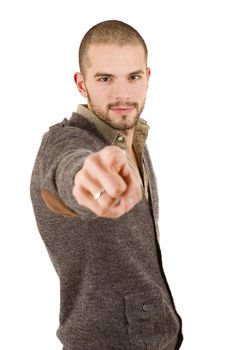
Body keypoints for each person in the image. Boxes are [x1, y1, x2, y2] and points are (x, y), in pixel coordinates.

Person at [30, 20, 183, 350]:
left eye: (133, 77)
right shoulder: (63, 141)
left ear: (147, 78)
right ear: (81, 83)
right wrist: (85, 175)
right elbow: (67, 167)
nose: (122, 94)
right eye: (104, 79)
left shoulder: (135, 139)